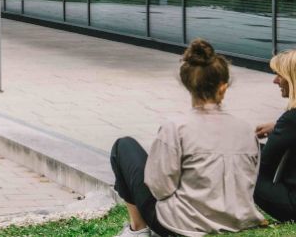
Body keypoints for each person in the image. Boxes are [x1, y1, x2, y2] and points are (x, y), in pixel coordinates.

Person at [109, 39, 264, 237]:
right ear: (223, 87)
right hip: (237, 220)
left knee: (124, 146)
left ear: (187, 84)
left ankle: (138, 229)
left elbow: (159, 188)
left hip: (181, 226)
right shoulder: (246, 130)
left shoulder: (175, 128)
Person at [254, 49, 296, 222]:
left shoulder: (291, 120)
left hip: (291, 205)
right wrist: (278, 127)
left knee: (244, 170)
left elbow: (264, 165)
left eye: (279, 75)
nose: (275, 81)